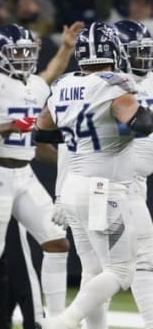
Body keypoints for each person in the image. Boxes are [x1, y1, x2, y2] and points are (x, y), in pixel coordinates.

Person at [35, 22, 146, 328]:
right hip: (104, 189)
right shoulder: (115, 83)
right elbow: (143, 124)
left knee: (94, 269)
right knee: (122, 270)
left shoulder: (64, 85)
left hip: (73, 187)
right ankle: (66, 319)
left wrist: (85, 132)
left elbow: (41, 131)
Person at [0, 23, 71, 329]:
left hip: (24, 174)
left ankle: (57, 320)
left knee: (57, 242)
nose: (24, 57)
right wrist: (8, 126)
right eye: (17, 52)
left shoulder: (36, 85)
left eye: (28, 51)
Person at [114, 19, 153, 328]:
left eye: (147, 51)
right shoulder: (109, 85)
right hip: (116, 181)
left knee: (127, 264)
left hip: (137, 182)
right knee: (137, 262)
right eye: (137, 52)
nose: (144, 58)